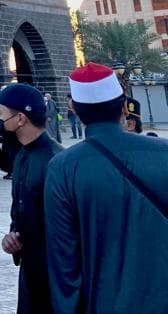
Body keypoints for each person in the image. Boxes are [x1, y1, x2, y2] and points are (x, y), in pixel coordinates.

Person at [46, 63, 168, 314]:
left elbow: (64, 261)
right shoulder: (164, 153)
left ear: (73, 110)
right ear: (124, 107)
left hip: (107, 303)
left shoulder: (63, 168)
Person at [0, 83, 61, 314]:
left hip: (56, 274)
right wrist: (13, 237)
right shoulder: (21, 156)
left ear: (20, 118)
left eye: (1, 114)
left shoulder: (57, 161)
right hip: (31, 269)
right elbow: (20, 209)